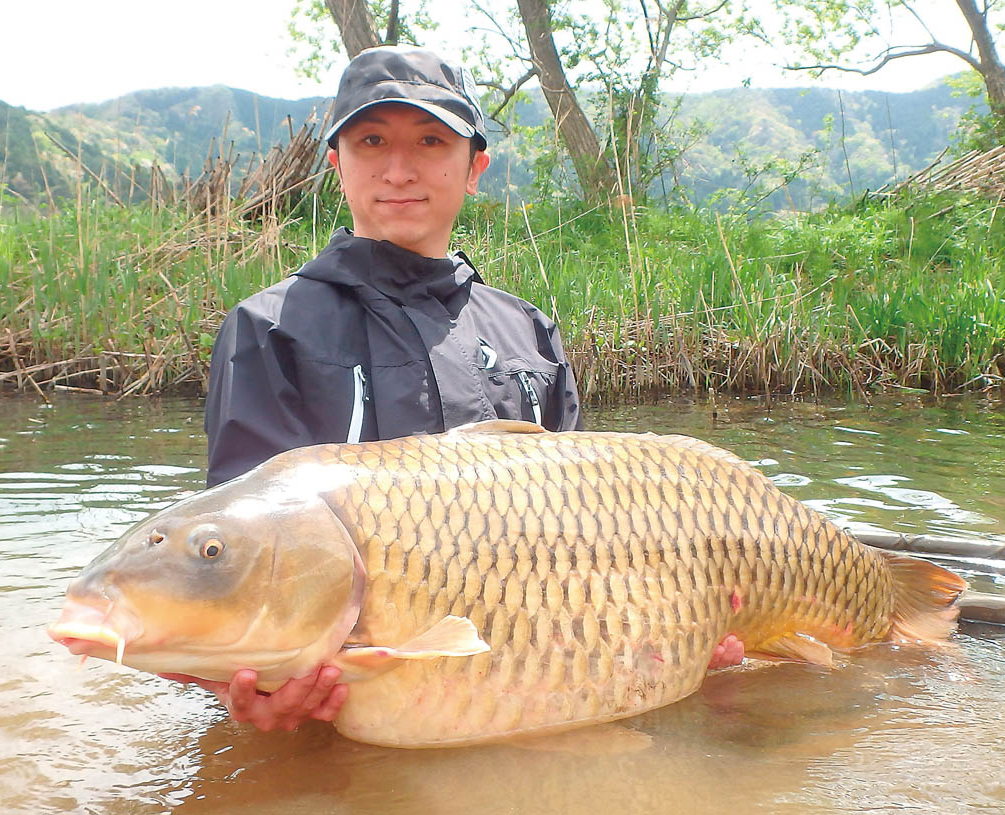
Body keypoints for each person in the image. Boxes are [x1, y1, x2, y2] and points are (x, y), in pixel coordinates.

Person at [165, 45, 741, 733]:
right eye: (371, 140)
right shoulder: (270, 328)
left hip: (542, 692)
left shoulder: (530, 332)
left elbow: (598, 537)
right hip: (350, 707)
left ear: (475, 169)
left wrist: (680, 627)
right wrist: (247, 685)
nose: (400, 169)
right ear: (335, 165)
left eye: (431, 141)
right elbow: (241, 560)